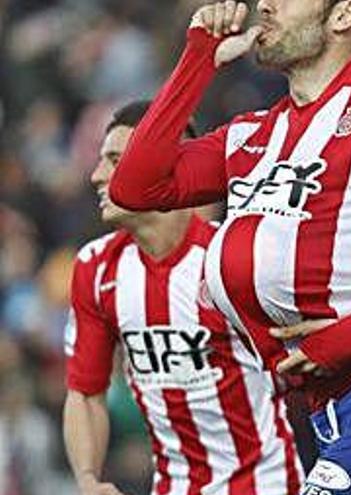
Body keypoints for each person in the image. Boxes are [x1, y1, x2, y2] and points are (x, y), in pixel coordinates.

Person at [108, 1, 351, 493]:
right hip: (329, 413)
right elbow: (135, 186)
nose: (264, 4)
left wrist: (349, 336)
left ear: (343, 14)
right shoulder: (253, 134)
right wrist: (199, 56)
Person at [63, 101, 302, 495]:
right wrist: (88, 480)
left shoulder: (230, 260)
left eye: (114, 160)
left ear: (161, 167)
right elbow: (86, 392)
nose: (96, 175)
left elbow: (301, 364)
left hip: (265, 485)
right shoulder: (96, 266)